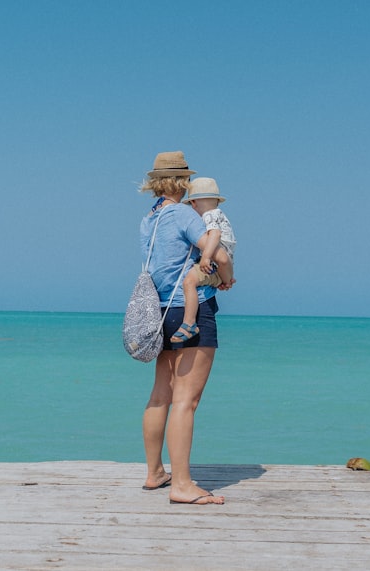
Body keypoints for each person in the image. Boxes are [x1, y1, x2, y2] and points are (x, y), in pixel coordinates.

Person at [138, 151, 226, 505]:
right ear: (182, 182)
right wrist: (227, 275)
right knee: (186, 401)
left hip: (158, 313)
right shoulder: (183, 214)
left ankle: (155, 472)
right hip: (190, 311)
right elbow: (216, 253)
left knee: (161, 395)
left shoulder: (149, 219)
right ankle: (183, 485)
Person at [172, 177, 236, 345]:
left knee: (189, 282)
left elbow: (215, 235)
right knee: (195, 281)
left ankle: (189, 323)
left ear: (193, 203)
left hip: (213, 263)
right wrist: (225, 277)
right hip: (221, 267)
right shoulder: (220, 215)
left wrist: (206, 257)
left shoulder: (208, 216)